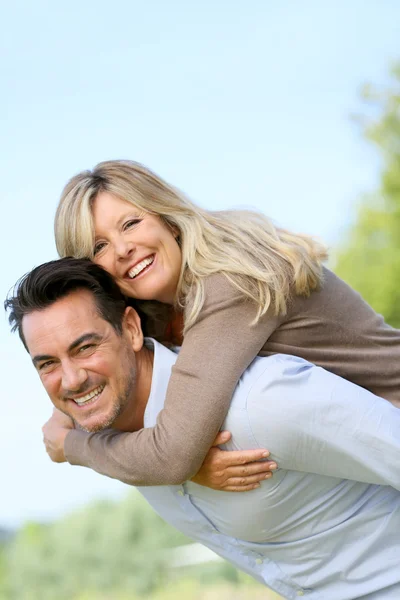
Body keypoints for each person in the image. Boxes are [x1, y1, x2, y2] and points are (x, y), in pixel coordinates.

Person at [5, 258, 400, 600]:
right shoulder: (113, 434)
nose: (71, 380)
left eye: (85, 347)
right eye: (47, 364)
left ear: (130, 329)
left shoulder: (260, 403)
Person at [47, 159, 400, 489]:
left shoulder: (228, 284)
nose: (123, 249)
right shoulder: (158, 314)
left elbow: (172, 457)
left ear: (167, 218)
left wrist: (74, 446)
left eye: (131, 223)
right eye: (100, 247)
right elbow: (98, 395)